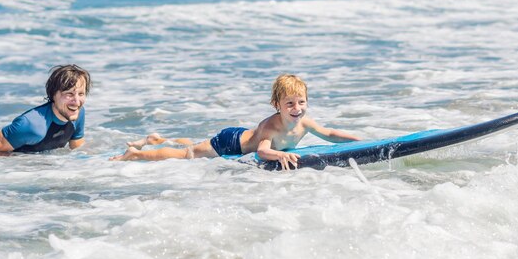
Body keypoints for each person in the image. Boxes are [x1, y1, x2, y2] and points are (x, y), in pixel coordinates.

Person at [111, 74, 360, 170]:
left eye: (302, 102)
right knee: (187, 154)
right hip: (230, 142)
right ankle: (134, 154)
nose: (297, 109)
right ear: (278, 106)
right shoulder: (271, 126)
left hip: (245, 134)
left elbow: (330, 134)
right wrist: (280, 155)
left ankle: (156, 139)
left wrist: (363, 140)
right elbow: (262, 152)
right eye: (290, 104)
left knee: (193, 145)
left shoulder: (305, 123)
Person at [0, 64, 92, 156]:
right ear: (53, 95)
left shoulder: (77, 112)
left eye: (81, 94)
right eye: (69, 94)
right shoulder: (32, 125)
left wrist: (99, 162)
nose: (77, 101)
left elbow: (77, 149)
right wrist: (28, 164)